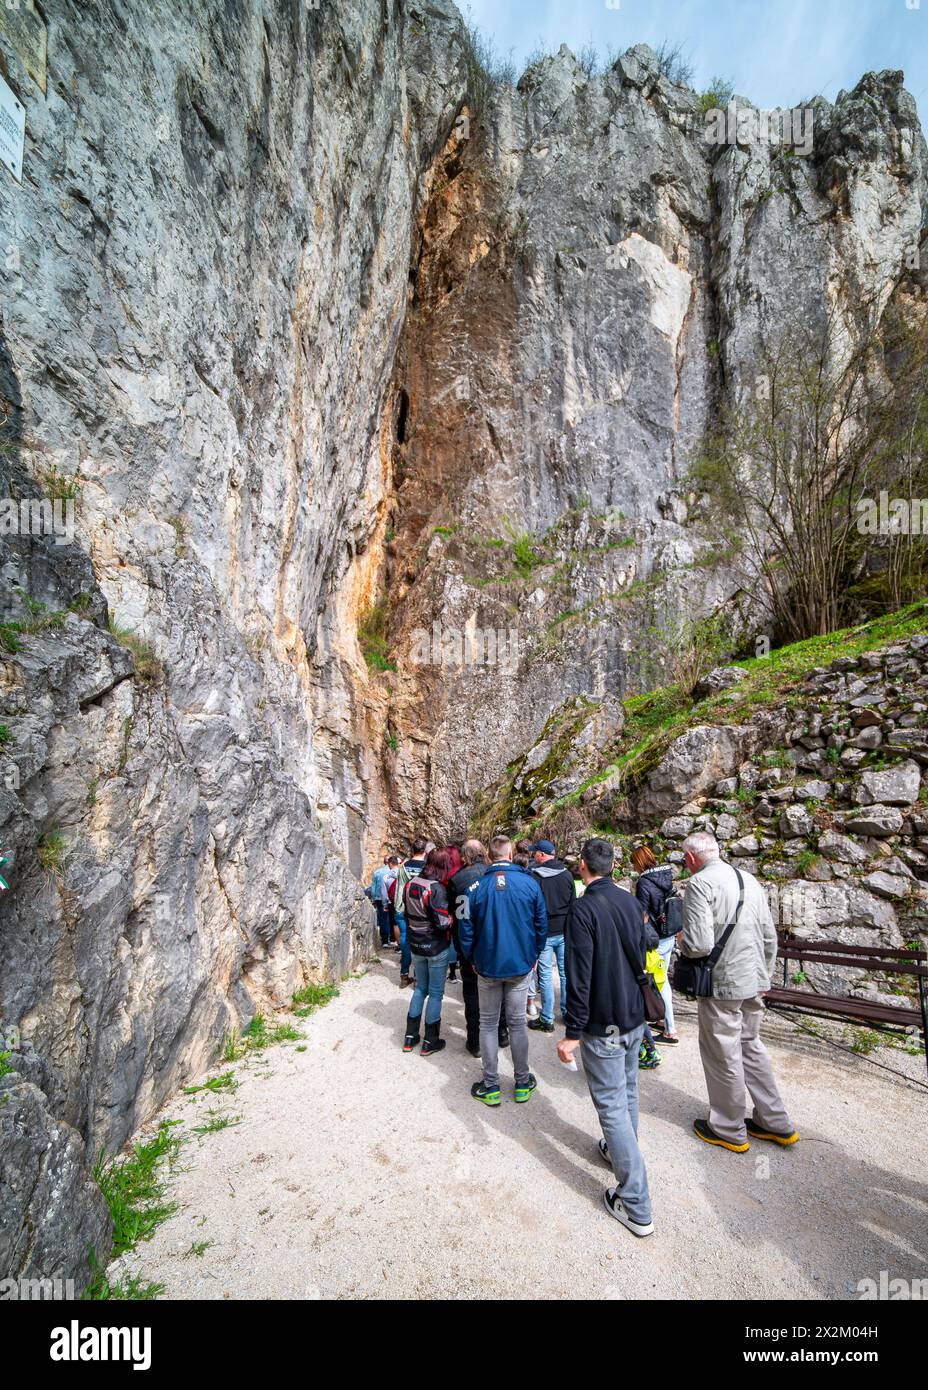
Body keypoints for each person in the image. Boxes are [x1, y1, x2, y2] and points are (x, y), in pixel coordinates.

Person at [558, 837, 654, 1238]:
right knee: (627, 1091)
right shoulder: (631, 902)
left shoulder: (582, 910)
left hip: (603, 1022)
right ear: (613, 865)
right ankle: (618, 1151)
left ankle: (636, 1203)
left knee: (612, 1106)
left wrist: (572, 1033)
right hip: (633, 1017)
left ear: (583, 865)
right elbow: (647, 946)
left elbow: (579, 978)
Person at [679, 831, 798, 1152]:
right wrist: (765, 976)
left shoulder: (700, 884)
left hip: (722, 983)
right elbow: (769, 937)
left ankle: (728, 1127)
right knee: (751, 1046)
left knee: (722, 1053)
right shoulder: (749, 880)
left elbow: (699, 944)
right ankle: (775, 1122)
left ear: (691, 858)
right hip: (754, 980)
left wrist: (682, 945)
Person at [459, 834, 547, 1106]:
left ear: (489, 856)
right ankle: (521, 1082)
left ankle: (491, 1084)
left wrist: (473, 958)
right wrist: (533, 955)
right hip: (520, 965)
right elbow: (541, 925)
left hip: (487, 966)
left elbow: (465, 930)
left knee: (487, 1023)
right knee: (517, 1022)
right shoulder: (530, 885)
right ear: (510, 855)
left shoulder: (473, 889)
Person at [448, 840, 510, 1057]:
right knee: (500, 989)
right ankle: (502, 1034)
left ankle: (475, 1042)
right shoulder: (495, 874)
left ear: (464, 856)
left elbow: (457, 916)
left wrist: (463, 948)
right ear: (484, 853)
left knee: (472, 995)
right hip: (496, 942)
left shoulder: (457, 881)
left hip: (470, 945)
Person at [402, 848, 455, 1055]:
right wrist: (453, 918)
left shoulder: (410, 884)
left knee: (419, 989)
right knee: (435, 993)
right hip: (435, 945)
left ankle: (410, 1036)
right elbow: (443, 923)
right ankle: (430, 1040)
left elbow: (404, 912)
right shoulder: (437, 888)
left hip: (415, 943)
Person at [632, 846, 680, 1044]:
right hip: (668, 935)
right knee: (662, 979)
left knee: (658, 982)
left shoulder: (644, 881)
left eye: (634, 862)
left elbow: (642, 913)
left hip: (654, 939)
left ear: (639, 862)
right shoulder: (665, 875)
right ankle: (662, 1020)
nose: (632, 866)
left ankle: (670, 1030)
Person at [528, 839, 575, 1033]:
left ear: (541, 855)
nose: (532, 856)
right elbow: (573, 904)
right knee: (565, 973)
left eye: (535, 853)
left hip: (545, 932)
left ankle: (547, 1018)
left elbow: (531, 906)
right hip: (564, 930)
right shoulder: (567, 875)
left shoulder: (535, 876)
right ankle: (567, 1012)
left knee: (545, 975)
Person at [393, 839, 431, 986]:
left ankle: (404, 975)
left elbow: (399, 887)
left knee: (405, 940)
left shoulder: (403, 867)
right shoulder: (427, 867)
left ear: (412, 850)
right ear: (425, 851)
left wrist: (397, 907)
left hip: (402, 907)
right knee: (419, 942)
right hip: (419, 909)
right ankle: (417, 977)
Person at [367, 855, 394, 950]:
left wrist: (374, 899)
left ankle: (385, 941)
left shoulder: (377, 872)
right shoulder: (394, 872)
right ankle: (394, 939)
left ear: (384, 862)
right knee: (392, 918)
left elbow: (373, 889)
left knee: (383, 919)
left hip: (379, 899)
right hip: (392, 899)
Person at [381, 855, 402, 950]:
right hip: (404, 902)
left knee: (395, 924)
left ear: (390, 863)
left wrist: (385, 905)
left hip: (392, 903)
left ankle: (400, 946)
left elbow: (384, 894)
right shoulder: (404, 874)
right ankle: (407, 945)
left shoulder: (386, 877)